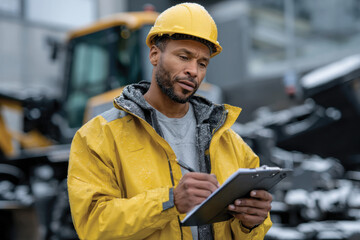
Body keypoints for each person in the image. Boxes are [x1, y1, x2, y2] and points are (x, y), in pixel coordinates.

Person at [67, 2, 273, 240]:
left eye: (202, 63)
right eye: (184, 57)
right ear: (154, 54)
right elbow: (93, 226)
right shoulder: (97, 137)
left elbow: (249, 233)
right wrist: (169, 201)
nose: (193, 71)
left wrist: (251, 224)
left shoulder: (231, 143)